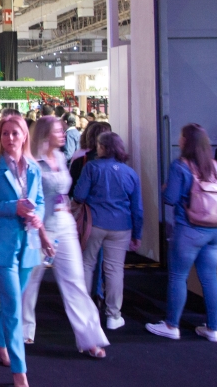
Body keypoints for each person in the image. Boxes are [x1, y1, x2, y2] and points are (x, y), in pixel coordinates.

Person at [0, 115, 51, 387]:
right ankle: (20, 372)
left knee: (12, 301)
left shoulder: (34, 168)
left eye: (15, 133)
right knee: (14, 308)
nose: (9, 138)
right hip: (1, 244)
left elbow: (40, 201)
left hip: (28, 245)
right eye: (4, 133)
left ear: (24, 135)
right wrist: (12, 207)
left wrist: (37, 216)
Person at [22, 116, 108, 357]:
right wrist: (40, 231)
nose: (64, 134)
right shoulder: (32, 163)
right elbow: (30, 201)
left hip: (65, 223)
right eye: (58, 130)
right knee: (29, 280)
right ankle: (22, 331)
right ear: (45, 133)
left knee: (75, 282)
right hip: (40, 226)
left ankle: (90, 338)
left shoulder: (61, 157)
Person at [147, 124, 217, 342]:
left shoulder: (180, 166)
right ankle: (213, 329)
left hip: (190, 229)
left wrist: (167, 188)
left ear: (186, 141)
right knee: (210, 277)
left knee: (178, 276)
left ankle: (171, 325)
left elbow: (171, 199)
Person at [73, 132, 143, 331]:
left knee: (87, 264)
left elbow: (79, 194)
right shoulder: (130, 173)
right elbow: (137, 209)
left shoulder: (92, 167)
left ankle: (84, 311)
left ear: (102, 147)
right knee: (114, 270)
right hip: (122, 226)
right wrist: (137, 235)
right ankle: (113, 315)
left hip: (94, 223)